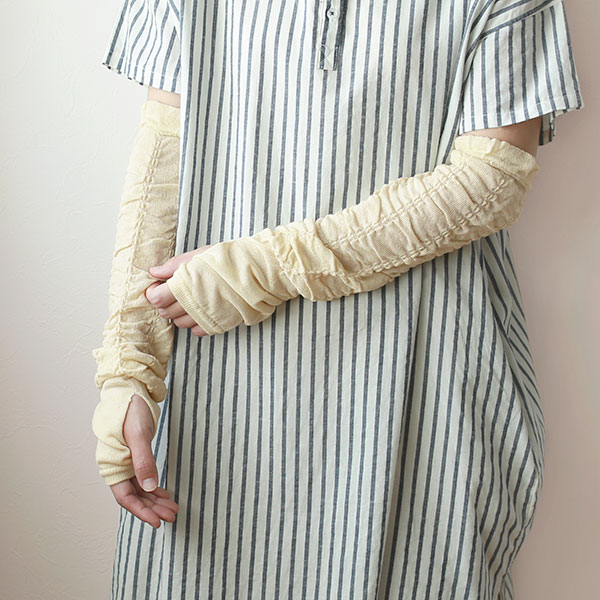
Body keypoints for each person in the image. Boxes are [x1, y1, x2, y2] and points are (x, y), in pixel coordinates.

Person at [93, 0, 583, 598]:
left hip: (422, 387)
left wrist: (266, 268)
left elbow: (492, 180)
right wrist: (128, 369)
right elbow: (161, 165)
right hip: (218, 396)